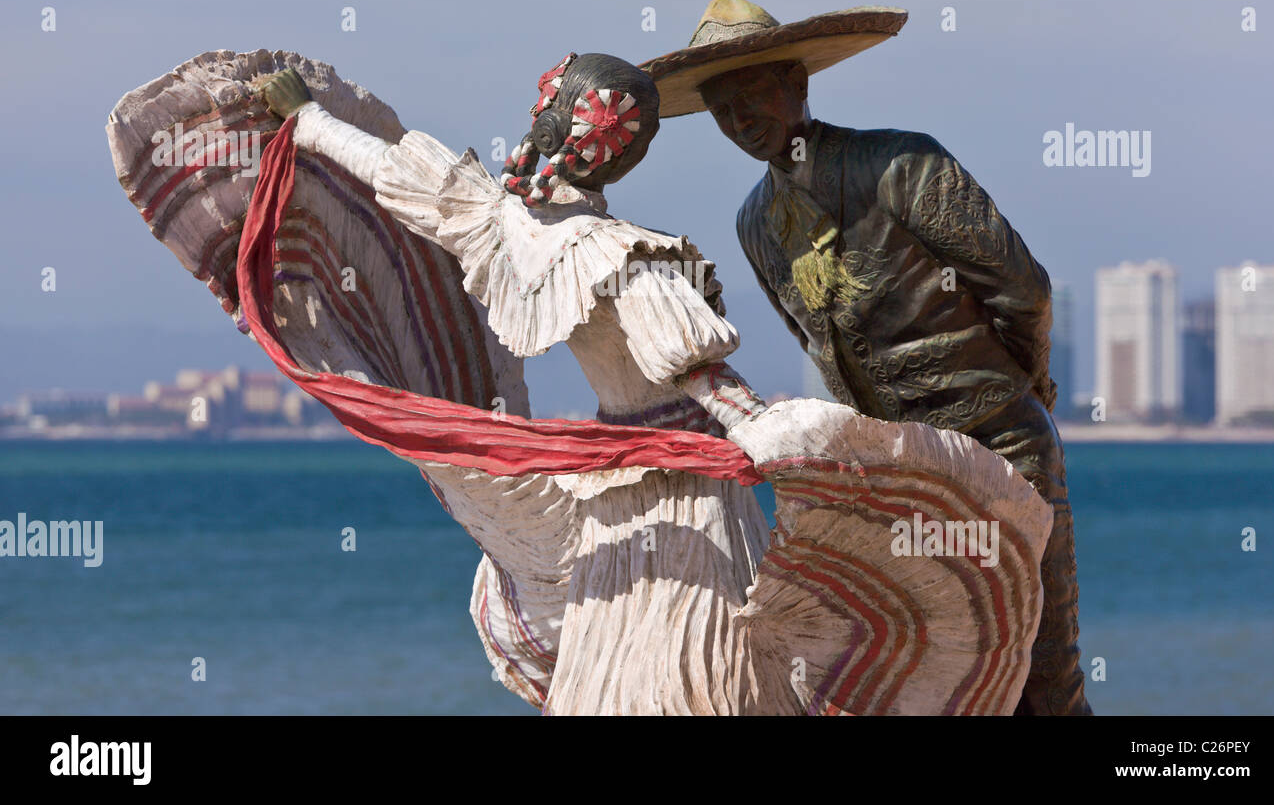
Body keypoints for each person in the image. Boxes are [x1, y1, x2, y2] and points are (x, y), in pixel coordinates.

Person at [109, 48, 1053, 714]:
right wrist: (778, 435)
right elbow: (708, 389)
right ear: (618, 151)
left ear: (553, 122)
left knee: (626, 663)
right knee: (695, 668)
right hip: (685, 484)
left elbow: (405, 181)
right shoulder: (613, 251)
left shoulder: (513, 225)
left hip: (622, 492)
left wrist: (308, 123)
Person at [643, 0, 1091, 716]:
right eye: (723, 108)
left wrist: (1025, 384)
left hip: (999, 446)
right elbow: (814, 345)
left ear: (796, 84)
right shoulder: (755, 221)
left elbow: (1023, 290)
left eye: (755, 93)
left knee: (1042, 673)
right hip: (895, 471)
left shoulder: (900, 164)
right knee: (925, 679)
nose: (741, 119)